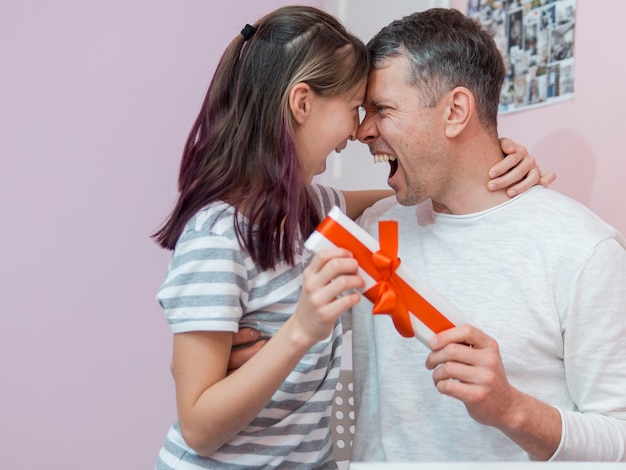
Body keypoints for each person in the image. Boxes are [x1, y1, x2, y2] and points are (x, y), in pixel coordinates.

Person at [153, 6, 551, 469]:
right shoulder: (218, 238)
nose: (357, 132)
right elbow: (199, 429)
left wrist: (494, 164)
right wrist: (301, 330)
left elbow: (409, 190)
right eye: (354, 108)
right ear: (301, 103)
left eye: (375, 110)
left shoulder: (314, 210)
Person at [350, 8, 626, 462]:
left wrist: (512, 409)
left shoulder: (583, 252)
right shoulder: (369, 231)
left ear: (456, 111)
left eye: (381, 108)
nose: (362, 130)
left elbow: (619, 435)